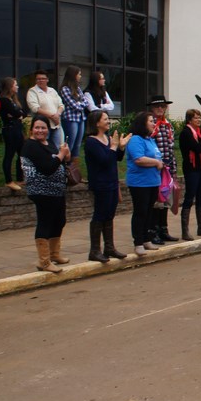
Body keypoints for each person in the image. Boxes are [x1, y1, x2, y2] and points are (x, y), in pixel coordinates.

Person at [21, 116, 71, 272]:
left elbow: (58, 163)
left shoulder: (49, 143)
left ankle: (54, 254)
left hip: (57, 190)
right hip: (41, 191)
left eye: (43, 128)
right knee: (45, 222)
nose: (40, 131)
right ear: (31, 129)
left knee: (59, 220)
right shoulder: (31, 146)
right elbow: (47, 168)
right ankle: (44, 261)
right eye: (37, 127)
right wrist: (61, 155)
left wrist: (65, 155)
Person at [84, 109, 131, 262]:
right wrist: (113, 146)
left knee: (109, 214)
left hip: (111, 182)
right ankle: (94, 250)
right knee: (100, 214)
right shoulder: (91, 142)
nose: (108, 121)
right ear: (97, 123)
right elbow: (104, 160)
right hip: (100, 184)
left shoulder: (107, 138)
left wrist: (120, 147)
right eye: (105, 119)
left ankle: (109, 247)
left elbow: (115, 158)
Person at [125, 111, 164, 257]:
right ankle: (138, 242)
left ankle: (147, 238)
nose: (154, 124)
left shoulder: (150, 140)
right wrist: (156, 162)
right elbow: (139, 159)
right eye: (151, 121)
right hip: (140, 183)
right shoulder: (136, 140)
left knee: (149, 212)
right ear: (143, 123)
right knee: (140, 212)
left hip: (153, 181)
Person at [178, 108, 201, 241]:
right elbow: (198, 147)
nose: (199, 120)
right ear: (189, 120)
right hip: (191, 168)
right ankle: (185, 231)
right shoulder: (186, 133)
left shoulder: (200, 132)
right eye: (196, 118)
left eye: (200, 117)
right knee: (189, 197)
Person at [147, 95, 178, 244]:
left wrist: (174, 170)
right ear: (152, 108)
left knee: (165, 199)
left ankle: (163, 229)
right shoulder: (150, 125)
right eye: (157, 106)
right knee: (156, 201)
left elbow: (171, 149)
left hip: (167, 168)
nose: (160, 109)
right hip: (156, 168)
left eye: (163, 106)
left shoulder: (168, 125)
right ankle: (153, 231)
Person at [59, 66, 88, 183]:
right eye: (79, 74)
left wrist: (80, 103)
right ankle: (65, 173)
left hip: (80, 119)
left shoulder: (78, 88)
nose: (80, 76)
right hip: (70, 120)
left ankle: (75, 174)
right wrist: (80, 104)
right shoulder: (65, 89)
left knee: (77, 146)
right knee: (69, 145)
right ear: (73, 75)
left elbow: (86, 102)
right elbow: (74, 105)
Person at [0, 77, 26, 191]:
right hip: (10, 129)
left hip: (18, 129)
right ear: (10, 87)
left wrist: (18, 114)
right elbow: (15, 113)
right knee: (9, 154)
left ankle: (20, 178)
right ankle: (8, 180)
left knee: (22, 153)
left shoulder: (13, 100)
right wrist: (17, 114)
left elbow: (22, 113)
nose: (17, 87)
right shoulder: (4, 100)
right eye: (15, 85)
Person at [26, 69, 64, 149]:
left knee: (56, 148)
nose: (41, 80)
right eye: (38, 79)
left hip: (56, 125)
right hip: (42, 126)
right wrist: (52, 116)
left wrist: (57, 114)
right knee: (43, 147)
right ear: (35, 80)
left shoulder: (52, 90)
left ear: (47, 80)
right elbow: (35, 108)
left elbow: (61, 105)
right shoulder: (32, 91)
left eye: (43, 78)